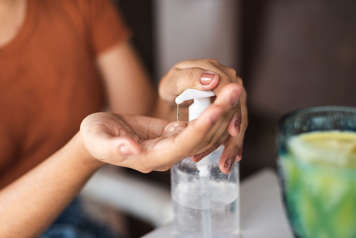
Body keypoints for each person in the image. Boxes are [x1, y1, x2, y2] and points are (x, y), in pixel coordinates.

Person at [0, 0, 247, 237]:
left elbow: (142, 124)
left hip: (80, 217)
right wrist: (81, 155)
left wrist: (178, 96)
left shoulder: (76, 4)